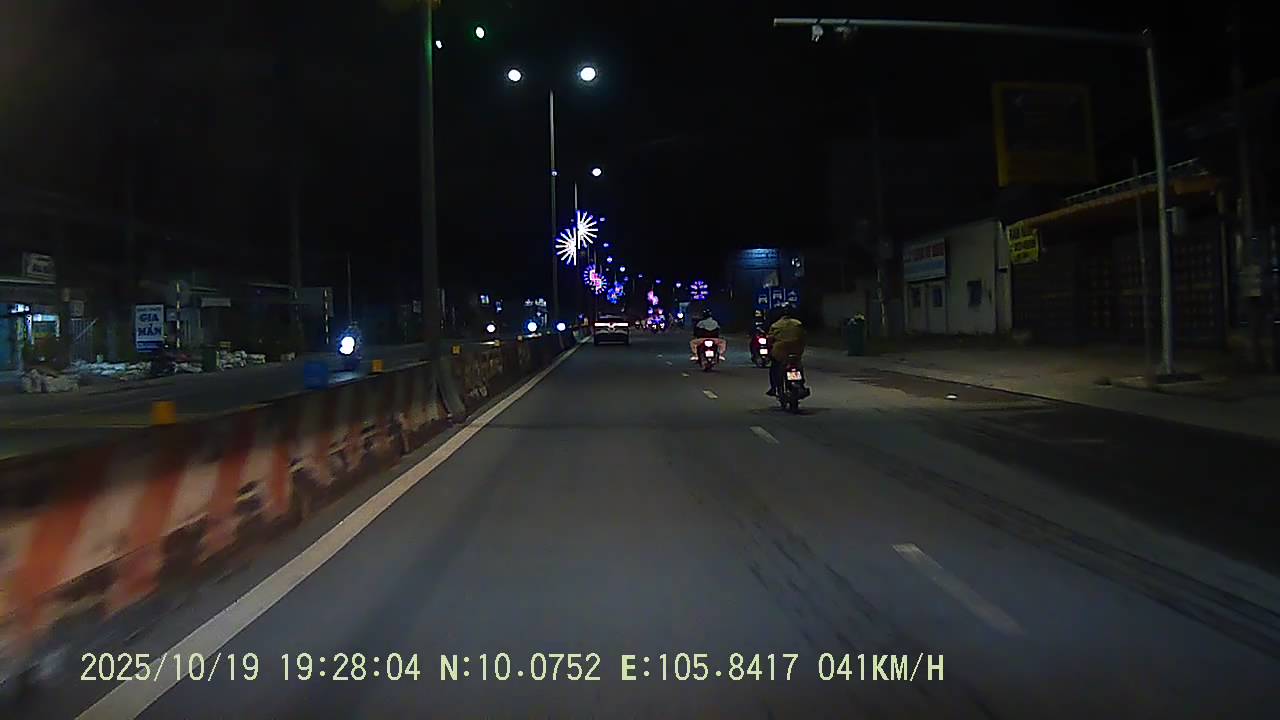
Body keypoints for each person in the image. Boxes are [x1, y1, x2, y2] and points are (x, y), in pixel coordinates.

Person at [766, 304, 806, 396]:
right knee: (798, 365)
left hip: (780, 352)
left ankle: (774, 388)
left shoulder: (776, 325)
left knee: (774, 367)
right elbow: (803, 337)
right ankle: (801, 384)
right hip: (796, 351)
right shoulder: (798, 324)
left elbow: (770, 339)